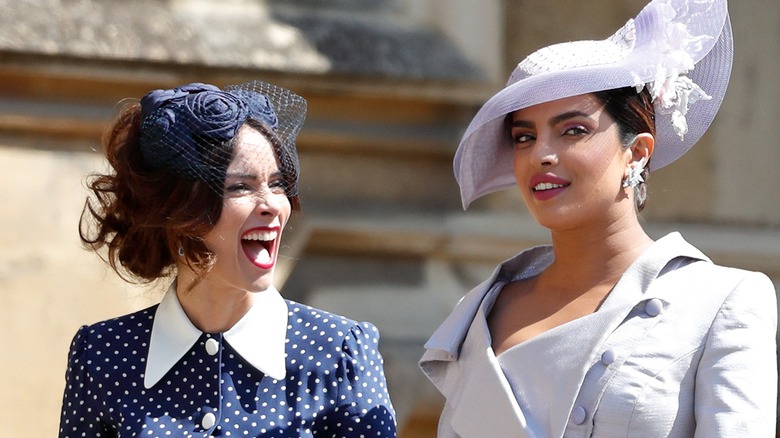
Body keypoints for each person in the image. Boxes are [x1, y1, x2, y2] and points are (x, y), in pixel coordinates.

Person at [419, 0, 777, 436]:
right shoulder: (481, 309)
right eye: (524, 137)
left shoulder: (720, 301)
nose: (541, 155)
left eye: (574, 130)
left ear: (638, 151)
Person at [59, 81, 397, 437]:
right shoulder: (101, 355)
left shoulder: (338, 352)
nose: (271, 205)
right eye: (240, 186)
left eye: (278, 183)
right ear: (179, 212)